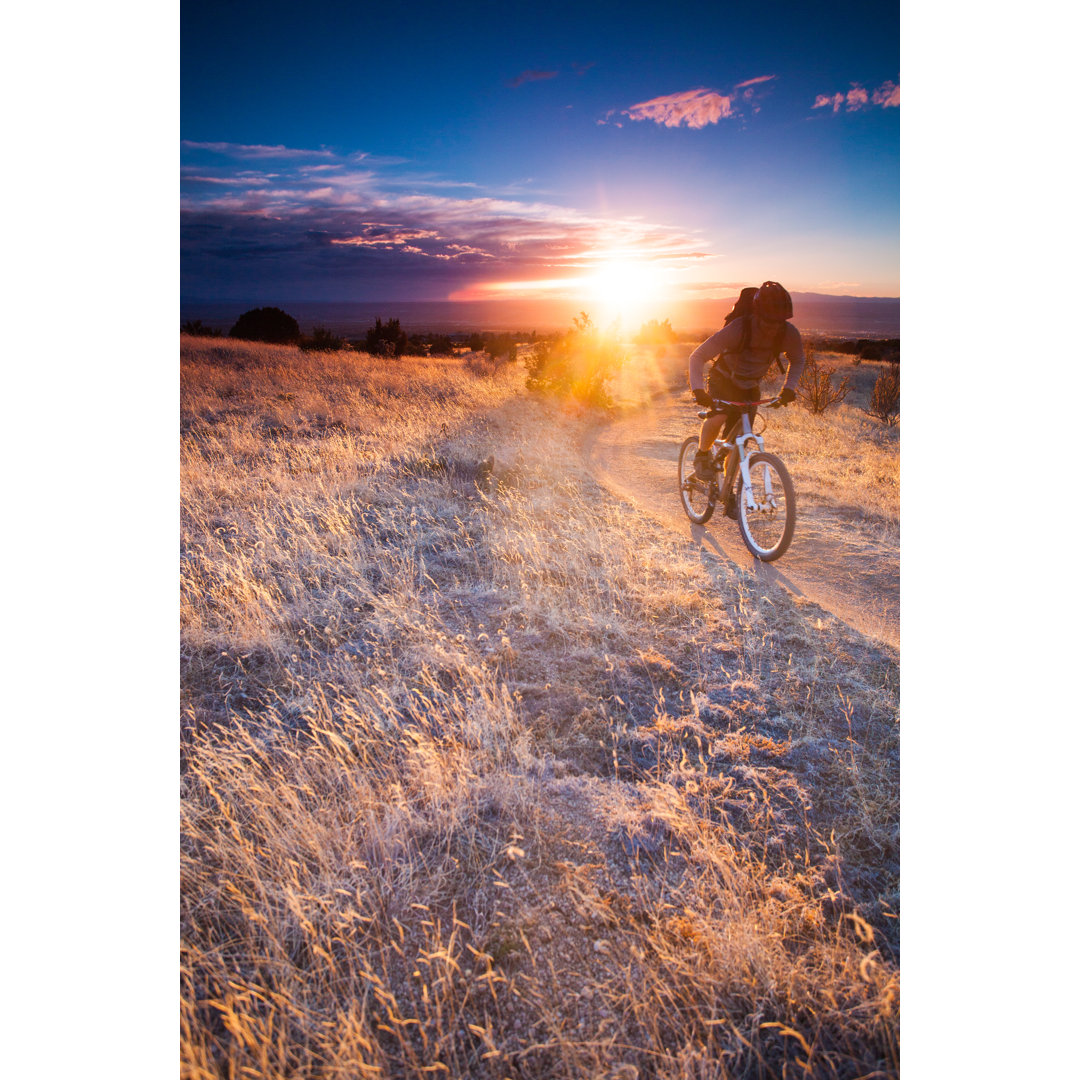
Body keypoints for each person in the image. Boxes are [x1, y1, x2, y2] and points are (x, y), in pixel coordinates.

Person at [687, 281, 805, 517]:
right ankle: (702, 455)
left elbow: (798, 359)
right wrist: (699, 390)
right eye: (769, 320)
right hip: (723, 379)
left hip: (750, 387)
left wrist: (789, 390)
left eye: (780, 321)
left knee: (741, 439)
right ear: (758, 314)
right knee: (719, 415)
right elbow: (698, 356)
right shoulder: (740, 328)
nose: (773, 326)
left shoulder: (787, 333)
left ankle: (727, 491)